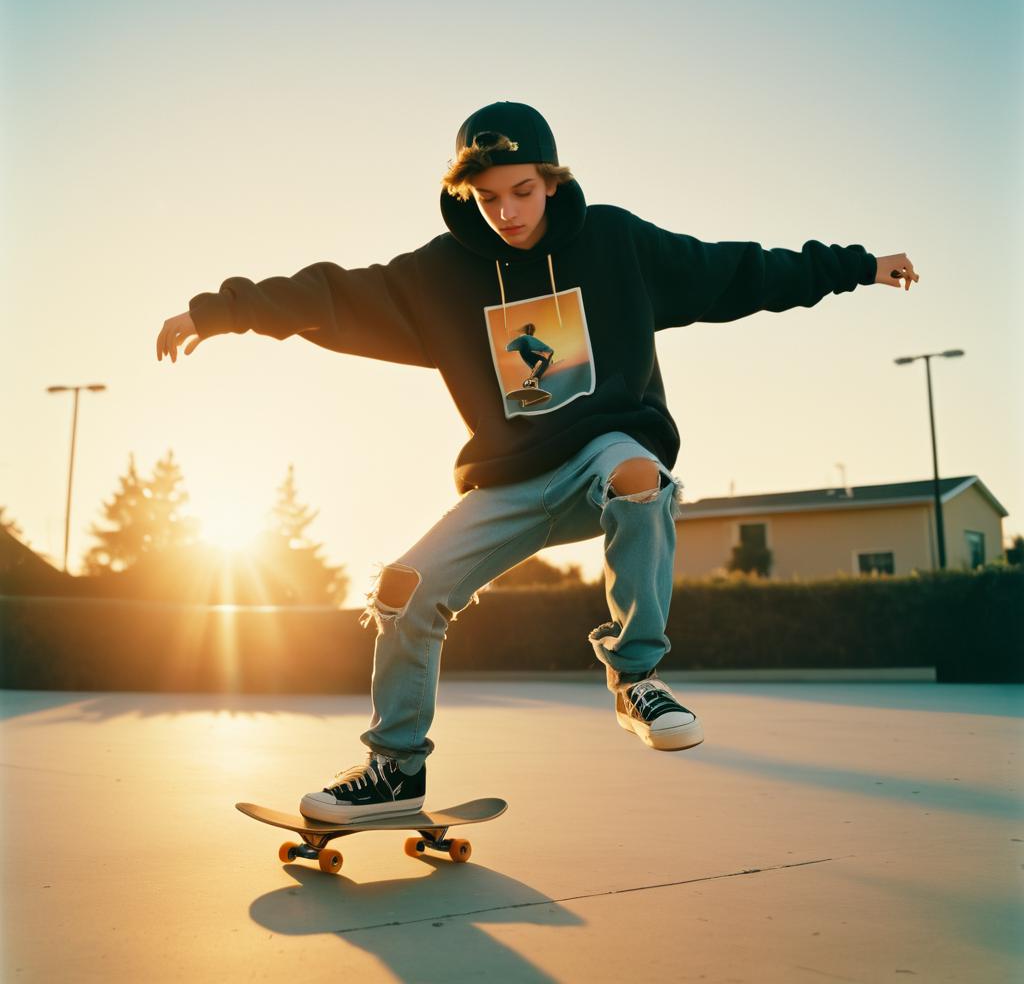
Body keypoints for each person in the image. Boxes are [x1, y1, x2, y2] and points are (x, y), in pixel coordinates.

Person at [156, 101, 919, 825]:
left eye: (522, 191)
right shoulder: (439, 275)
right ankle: (395, 769)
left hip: (602, 453)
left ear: (553, 180)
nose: (509, 213)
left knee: (638, 474)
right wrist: (219, 313)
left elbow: (739, 271)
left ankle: (637, 679)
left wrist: (856, 266)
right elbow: (332, 294)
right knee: (404, 589)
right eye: (489, 199)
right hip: (510, 480)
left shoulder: (616, 244)